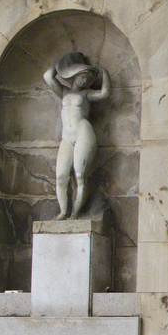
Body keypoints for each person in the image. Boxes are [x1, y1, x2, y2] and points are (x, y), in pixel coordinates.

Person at [43, 52, 110, 219]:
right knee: (61, 176)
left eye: (88, 79)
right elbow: (48, 76)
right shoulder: (64, 92)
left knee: (80, 174)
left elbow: (104, 94)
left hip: (83, 132)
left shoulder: (86, 94)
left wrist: (105, 74)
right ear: (74, 76)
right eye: (82, 77)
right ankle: (63, 211)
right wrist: (61, 64)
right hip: (67, 135)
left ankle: (75, 213)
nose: (85, 81)